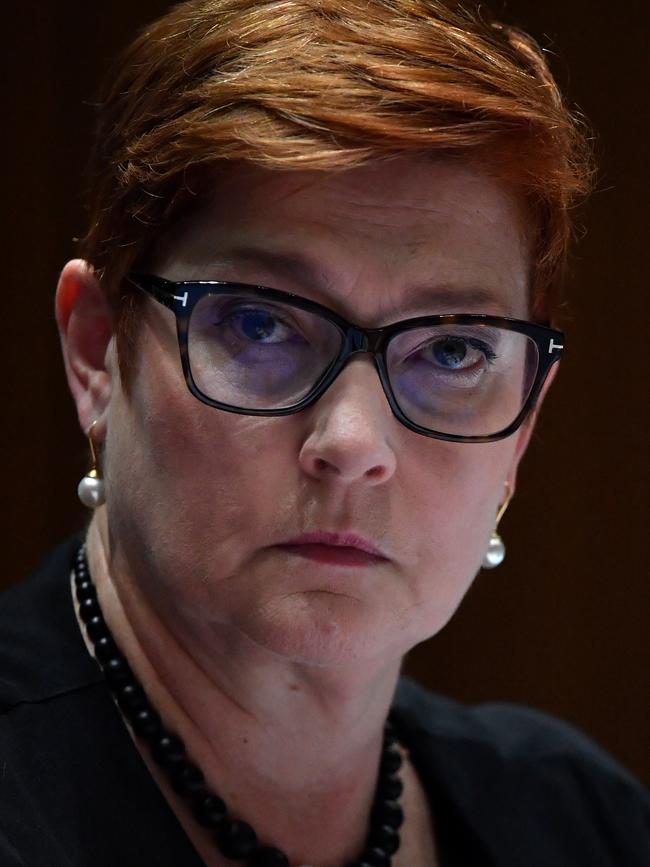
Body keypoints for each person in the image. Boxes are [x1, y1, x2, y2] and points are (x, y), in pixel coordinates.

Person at [1, 0, 648, 865]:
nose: (352, 441)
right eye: (262, 325)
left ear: (524, 423)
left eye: (452, 349)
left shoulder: (588, 824)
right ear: (95, 352)